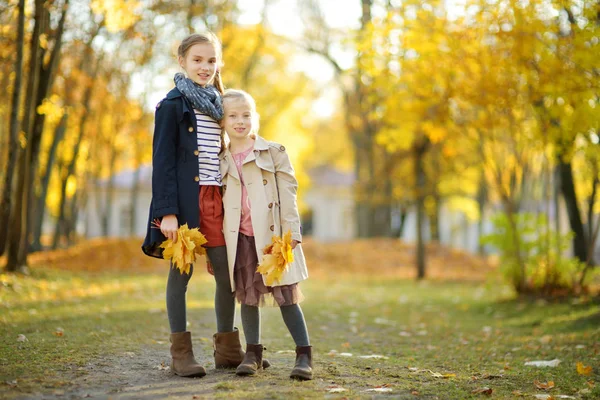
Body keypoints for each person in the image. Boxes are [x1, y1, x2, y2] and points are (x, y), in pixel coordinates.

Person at [141, 32, 268, 378]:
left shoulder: (221, 106)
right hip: (183, 204)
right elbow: (163, 162)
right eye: (197, 60)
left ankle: (227, 350)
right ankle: (181, 354)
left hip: (218, 200)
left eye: (211, 60)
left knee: (226, 276)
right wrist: (166, 211)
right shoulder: (171, 106)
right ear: (182, 61)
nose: (205, 67)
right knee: (180, 274)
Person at [217, 89, 313, 380]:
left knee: (287, 297)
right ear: (222, 121)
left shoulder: (273, 152)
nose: (240, 121)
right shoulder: (220, 159)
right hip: (240, 239)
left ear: (254, 118)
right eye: (232, 115)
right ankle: (253, 353)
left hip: (273, 238)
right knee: (247, 297)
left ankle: (304, 354)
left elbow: (289, 194)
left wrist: (292, 232)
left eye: (246, 114)